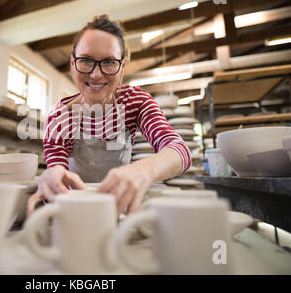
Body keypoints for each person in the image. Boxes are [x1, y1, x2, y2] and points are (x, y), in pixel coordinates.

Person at [27, 15, 191, 216]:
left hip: (119, 208)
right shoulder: (61, 116)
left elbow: (179, 150)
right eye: (86, 61)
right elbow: (58, 173)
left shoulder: (135, 103)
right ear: (72, 63)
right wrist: (52, 176)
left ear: (122, 67)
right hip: (77, 209)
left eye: (109, 62)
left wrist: (146, 169)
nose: (96, 74)